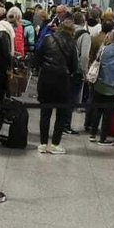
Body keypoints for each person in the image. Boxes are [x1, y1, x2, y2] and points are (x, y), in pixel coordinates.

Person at [35, 17, 78, 154]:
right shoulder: (72, 44)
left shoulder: (48, 39)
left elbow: (37, 59)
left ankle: (43, 144)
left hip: (46, 79)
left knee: (45, 113)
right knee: (61, 114)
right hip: (62, 81)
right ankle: (55, 144)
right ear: (72, 31)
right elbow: (74, 66)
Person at [86, 29, 114, 145]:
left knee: (98, 110)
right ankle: (103, 138)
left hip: (100, 84)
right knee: (108, 113)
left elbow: (97, 62)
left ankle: (92, 134)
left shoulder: (103, 49)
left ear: (111, 37)